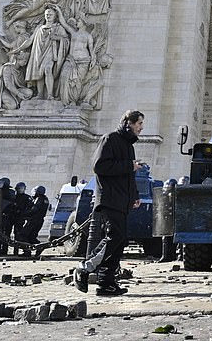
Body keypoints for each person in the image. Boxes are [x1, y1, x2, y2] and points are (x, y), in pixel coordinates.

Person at [74, 109, 145, 296]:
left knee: (119, 241)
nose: (141, 128)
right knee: (114, 238)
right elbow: (99, 166)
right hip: (110, 198)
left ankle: (106, 283)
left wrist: (134, 196)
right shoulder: (110, 139)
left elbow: (128, 176)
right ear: (128, 122)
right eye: (139, 123)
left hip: (122, 200)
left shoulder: (129, 146)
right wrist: (129, 166)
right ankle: (84, 268)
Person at [19, 186, 49, 256]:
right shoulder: (45, 199)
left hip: (33, 220)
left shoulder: (39, 199)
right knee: (32, 237)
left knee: (23, 235)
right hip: (40, 220)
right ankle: (40, 246)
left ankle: (27, 252)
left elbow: (34, 210)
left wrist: (24, 214)